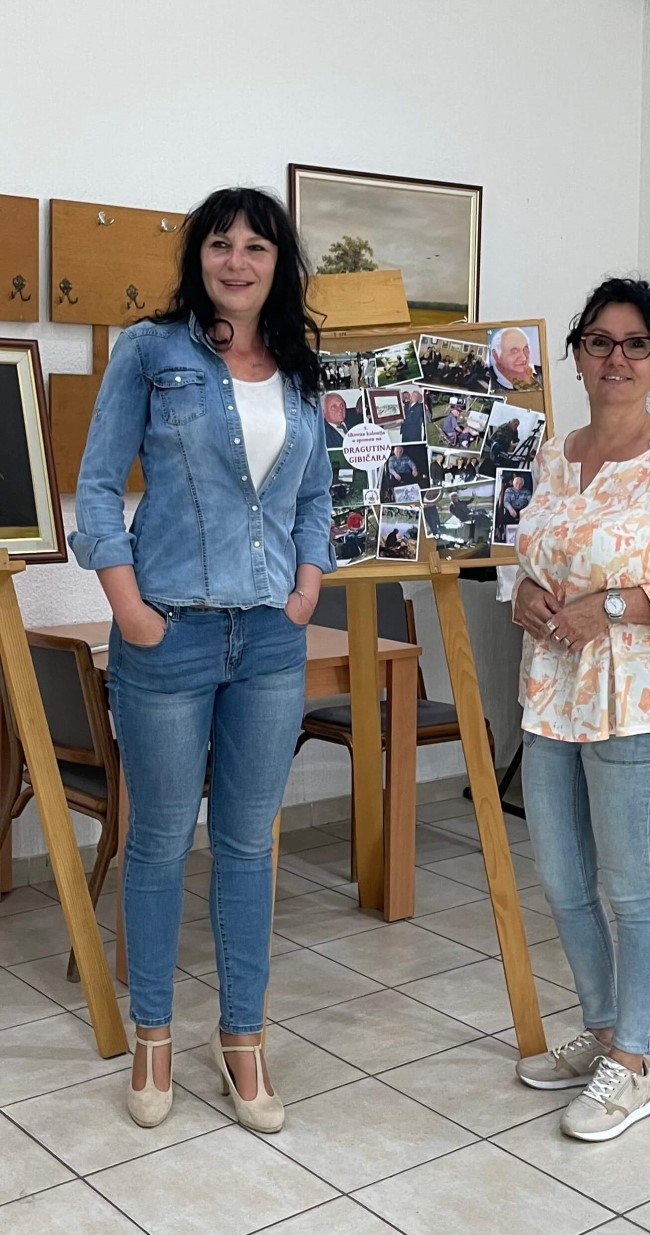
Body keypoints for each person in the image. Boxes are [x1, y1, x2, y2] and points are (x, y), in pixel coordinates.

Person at [69, 187, 334, 1134]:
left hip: (269, 640)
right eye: (220, 244)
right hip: (168, 634)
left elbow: (317, 497)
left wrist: (306, 589)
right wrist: (129, 609)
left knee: (249, 844)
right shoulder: (152, 350)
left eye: (256, 246)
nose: (237, 261)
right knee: (157, 839)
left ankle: (243, 1040)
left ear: (279, 263)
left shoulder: (299, 369)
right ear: (199, 257)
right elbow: (97, 486)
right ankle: (153, 1036)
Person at [511, 277, 650, 1142]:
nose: (616, 357)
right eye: (599, 341)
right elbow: (533, 556)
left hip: (637, 703)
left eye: (635, 343)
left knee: (632, 888)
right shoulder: (554, 453)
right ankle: (604, 1029)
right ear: (577, 354)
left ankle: (634, 1064)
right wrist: (524, 593)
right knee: (564, 881)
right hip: (550, 695)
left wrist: (611, 608)